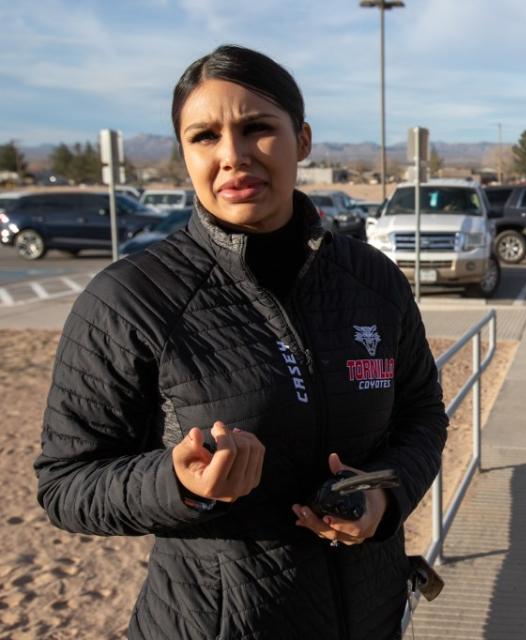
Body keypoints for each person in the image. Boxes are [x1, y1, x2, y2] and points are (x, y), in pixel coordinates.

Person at [34, 44, 448, 639]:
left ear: (302, 140)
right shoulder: (127, 298)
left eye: (258, 128)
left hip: (375, 613)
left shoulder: (372, 280)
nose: (233, 156)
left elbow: (422, 415)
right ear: (184, 154)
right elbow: (66, 484)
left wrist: (384, 498)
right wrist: (179, 486)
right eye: (204, 137)